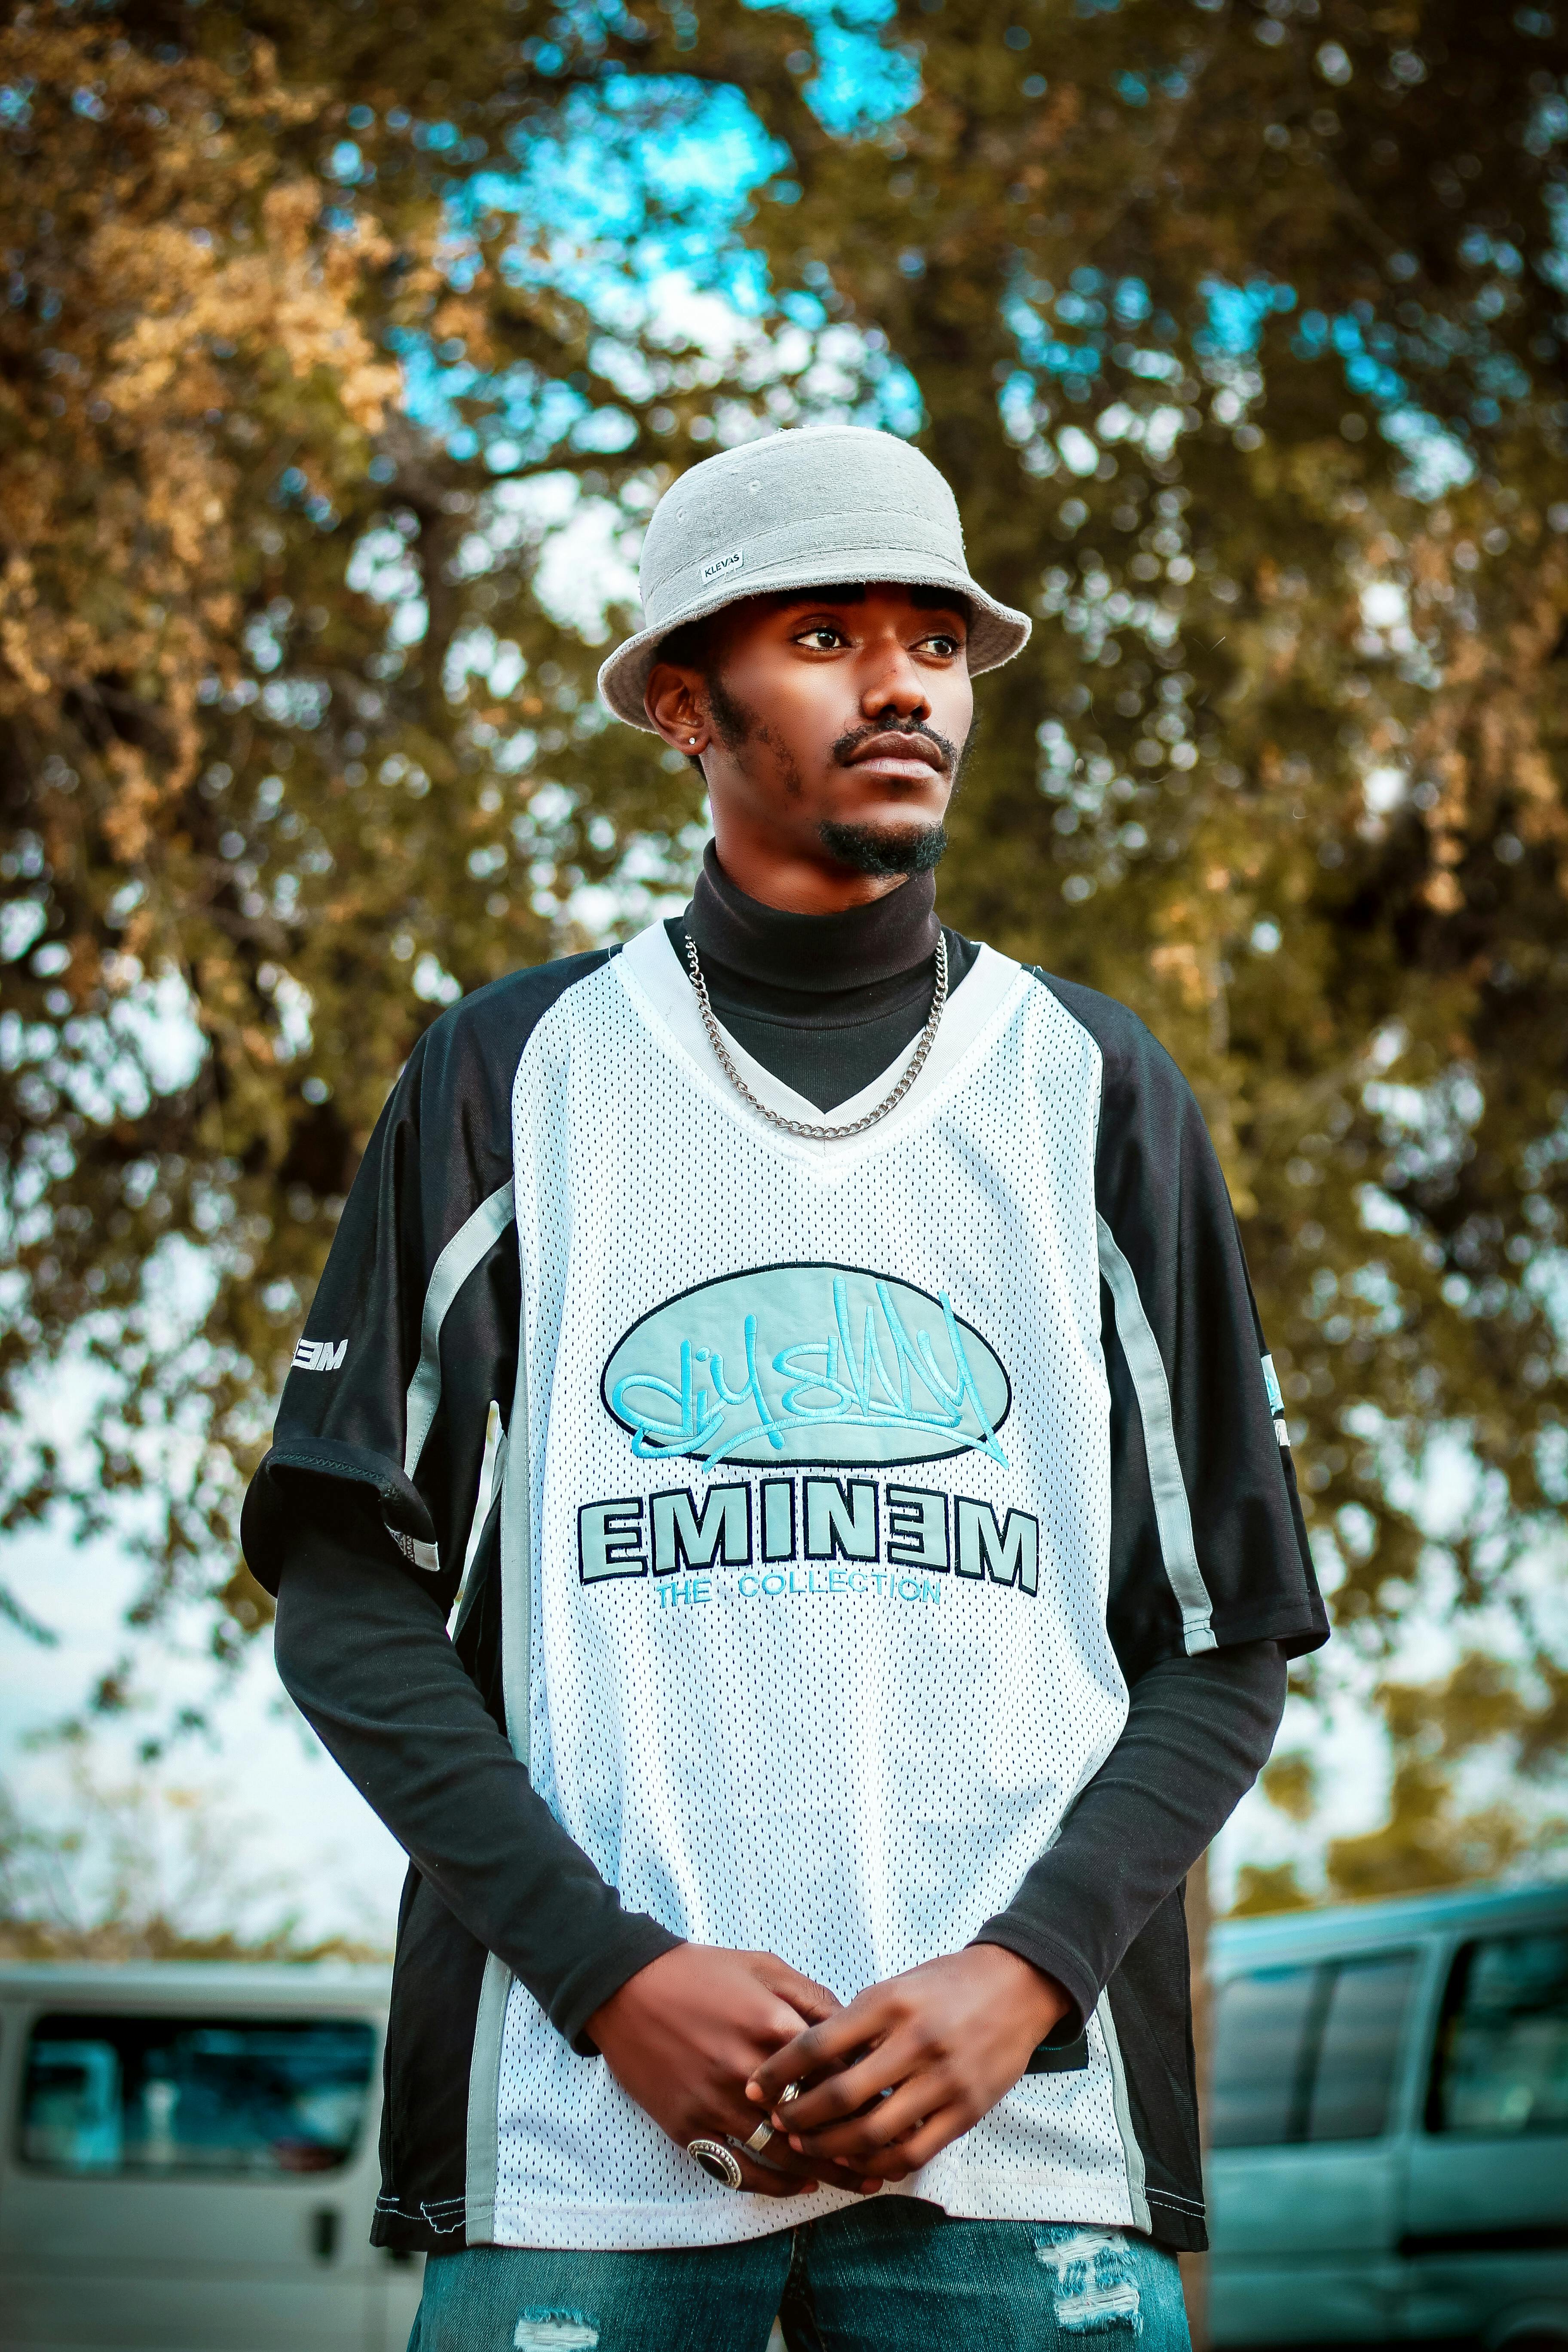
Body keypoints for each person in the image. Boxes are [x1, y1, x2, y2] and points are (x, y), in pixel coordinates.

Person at [244, 425, 1327, 2351]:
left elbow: (1230, 1636)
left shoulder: (1093, 1088)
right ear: (686, 703)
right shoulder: (514, 1081)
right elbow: (345, 1599)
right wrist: (608, 1977)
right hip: (583, 2157)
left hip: (1026, 2170)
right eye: (828, 632)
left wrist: (1025, 1976)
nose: (903, 680)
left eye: (937, 638)